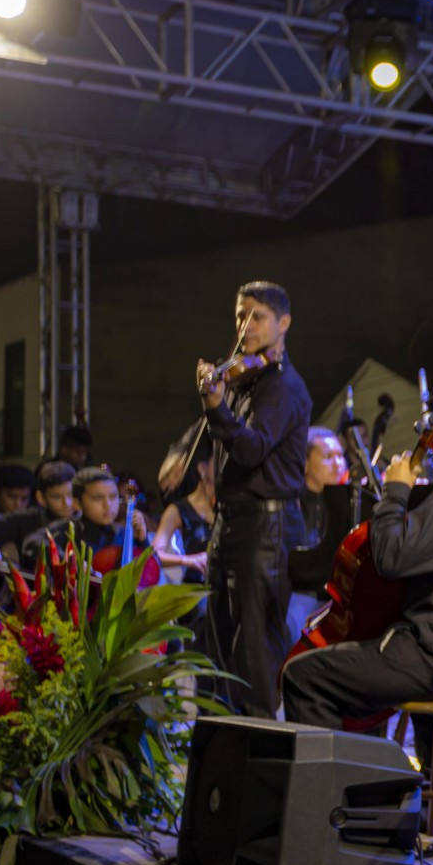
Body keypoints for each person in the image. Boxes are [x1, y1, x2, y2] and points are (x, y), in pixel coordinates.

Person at [283, 392, 433, 751]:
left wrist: (395, 491)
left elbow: (389, 558)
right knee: (413, 681)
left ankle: (323, 803)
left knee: (303, 675)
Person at [196, 280, 311, 718]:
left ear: (283, 323)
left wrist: (215, 406)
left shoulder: (284, 387)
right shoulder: (246, 380)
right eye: (241, 316)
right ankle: (222, 742)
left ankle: (261, 744)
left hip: (266, 527)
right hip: (231, 521)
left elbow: (250, 448)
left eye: (257, 316)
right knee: (219, 638)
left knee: (257, 644)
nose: (246, 326)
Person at [289, 426, 353, 638]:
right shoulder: (291, 502)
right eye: (327, 457)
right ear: (305, 463)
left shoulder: (350, 501)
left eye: (340, 456)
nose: (338, 464)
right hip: (301, 593)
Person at [21, 465, 146, 573]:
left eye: (113, 497)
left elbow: (148, 571)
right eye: (97, 498)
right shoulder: (69, 528)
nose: (108, 505)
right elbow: (33, 543)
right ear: (77, 503)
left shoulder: (122, 534)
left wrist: (143, 541)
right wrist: (69, 562)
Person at [0, 459, 79, 573]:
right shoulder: (30, 517)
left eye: (71, 495)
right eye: (57, 497)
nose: (67, 503)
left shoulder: (84, 520)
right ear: (41, 498)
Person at [153, 452, 215, 587]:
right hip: (196, 592)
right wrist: (189, 560)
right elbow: (154, 554)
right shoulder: (178, 509)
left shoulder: (226, 507)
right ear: (202, 468)